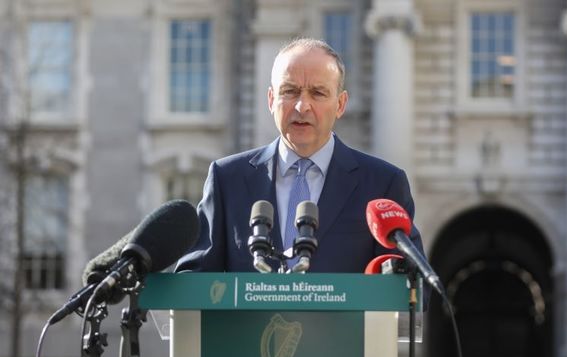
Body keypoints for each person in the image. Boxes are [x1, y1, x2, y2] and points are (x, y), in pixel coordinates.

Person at [175, 37, 423, 273]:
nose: (302, 106)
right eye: (290, 91)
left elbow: (408, 288)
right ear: (271, 100)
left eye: (318, 93)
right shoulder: (227, 179)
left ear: (340, 104)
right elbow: (195, 278)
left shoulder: (383, 184)